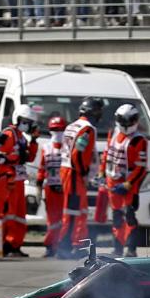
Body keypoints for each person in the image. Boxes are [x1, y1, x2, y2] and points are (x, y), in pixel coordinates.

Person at [57, 97, 103, 260]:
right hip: (74, 172)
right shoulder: (87, 129)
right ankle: (67, 245)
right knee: (73, 211)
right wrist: (83, 173)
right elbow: (78, 154)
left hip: (67, 170)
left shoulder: (72, 125)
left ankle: (74, 243)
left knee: (76, 209)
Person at [100, 104, 148, 257]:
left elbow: (141, 167)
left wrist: (129, 183)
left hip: (129, 185)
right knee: (116, 216)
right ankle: (118, 248)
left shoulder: (139, 140)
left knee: (130, 216)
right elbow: (107, 154)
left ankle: (131, 249)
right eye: (123, 120)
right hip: (112, 182)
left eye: (130, 120)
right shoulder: (113, 133)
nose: (127, 124)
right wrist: (102, 172)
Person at [2, 105, 39, 258]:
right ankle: (6, 244)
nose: (27, 125)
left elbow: (29, 157)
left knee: (18, 215)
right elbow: (2, 156)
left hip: (18, 181)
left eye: (29, 122)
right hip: (9, 181)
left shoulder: (22, 137)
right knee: (9, 214)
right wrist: (16, 158)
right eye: (25, 121)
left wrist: (34, 141)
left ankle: (15, 244)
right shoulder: (9, 134)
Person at [36, 116, 67, 257]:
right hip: (51, 188)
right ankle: (50, 246)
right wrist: (38, 184)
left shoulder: (69, 146)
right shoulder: (46, 147)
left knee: (65, 218)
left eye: (60, 129)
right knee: (52, 220)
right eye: (55, 130)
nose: (58, 132)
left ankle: (63, 245)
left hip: (65, 187)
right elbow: (42, 167)